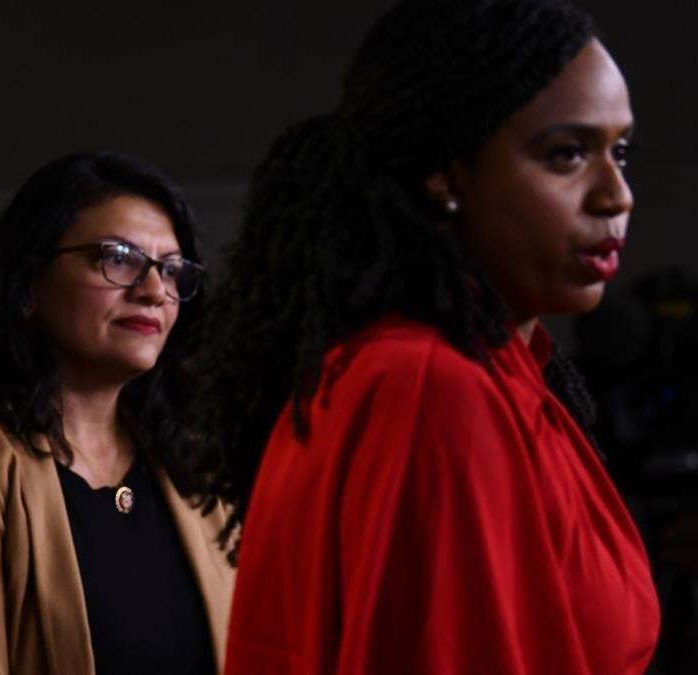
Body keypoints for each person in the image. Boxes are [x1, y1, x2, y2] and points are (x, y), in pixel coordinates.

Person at [196, 1, 660, 673]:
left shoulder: (494, 373)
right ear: (447, 173)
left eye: (619, 152)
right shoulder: (431, 389)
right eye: (566, 155)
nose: (616, 195)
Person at [0, 151, 233, 675]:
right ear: (29, 286)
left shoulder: (196, 469)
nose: (155, 290)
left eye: (173, 270)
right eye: (117, 257)